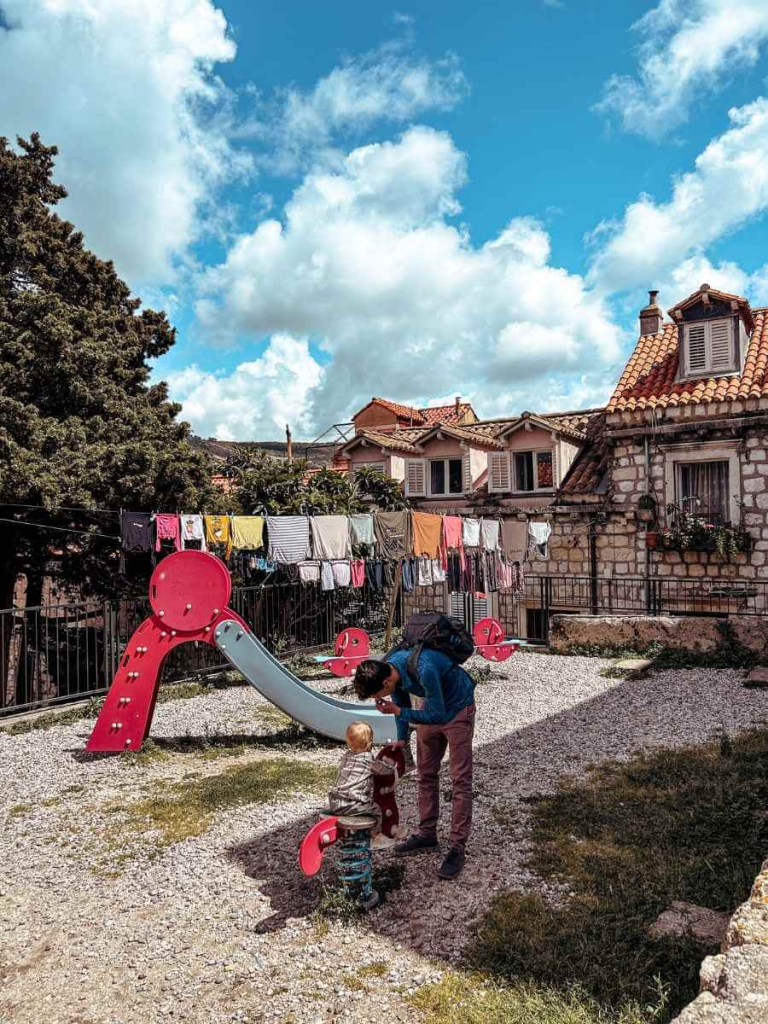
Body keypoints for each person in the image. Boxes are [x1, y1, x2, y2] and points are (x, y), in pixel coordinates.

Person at [353, 648, 476, 880]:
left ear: (386, 680)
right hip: (432, 707)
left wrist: (398, 710)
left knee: (460, 779)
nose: (381, 700)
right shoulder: (391, 668)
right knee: (425, 774)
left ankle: (457, 847)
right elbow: (399, 697)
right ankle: (427, 834)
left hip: (458, 707)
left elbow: (436, 714)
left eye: (380, 694)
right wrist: (402, 738)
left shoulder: (425, 668)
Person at [328, 721, 397, 849]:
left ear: (348, 742)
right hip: (350, 804)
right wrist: (393, 767)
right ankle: (375, 838)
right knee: (376, 810)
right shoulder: (368, 760)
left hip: (334, 801)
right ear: (370, 743)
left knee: (366, 807)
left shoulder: (346, 756)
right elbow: (385, 770)